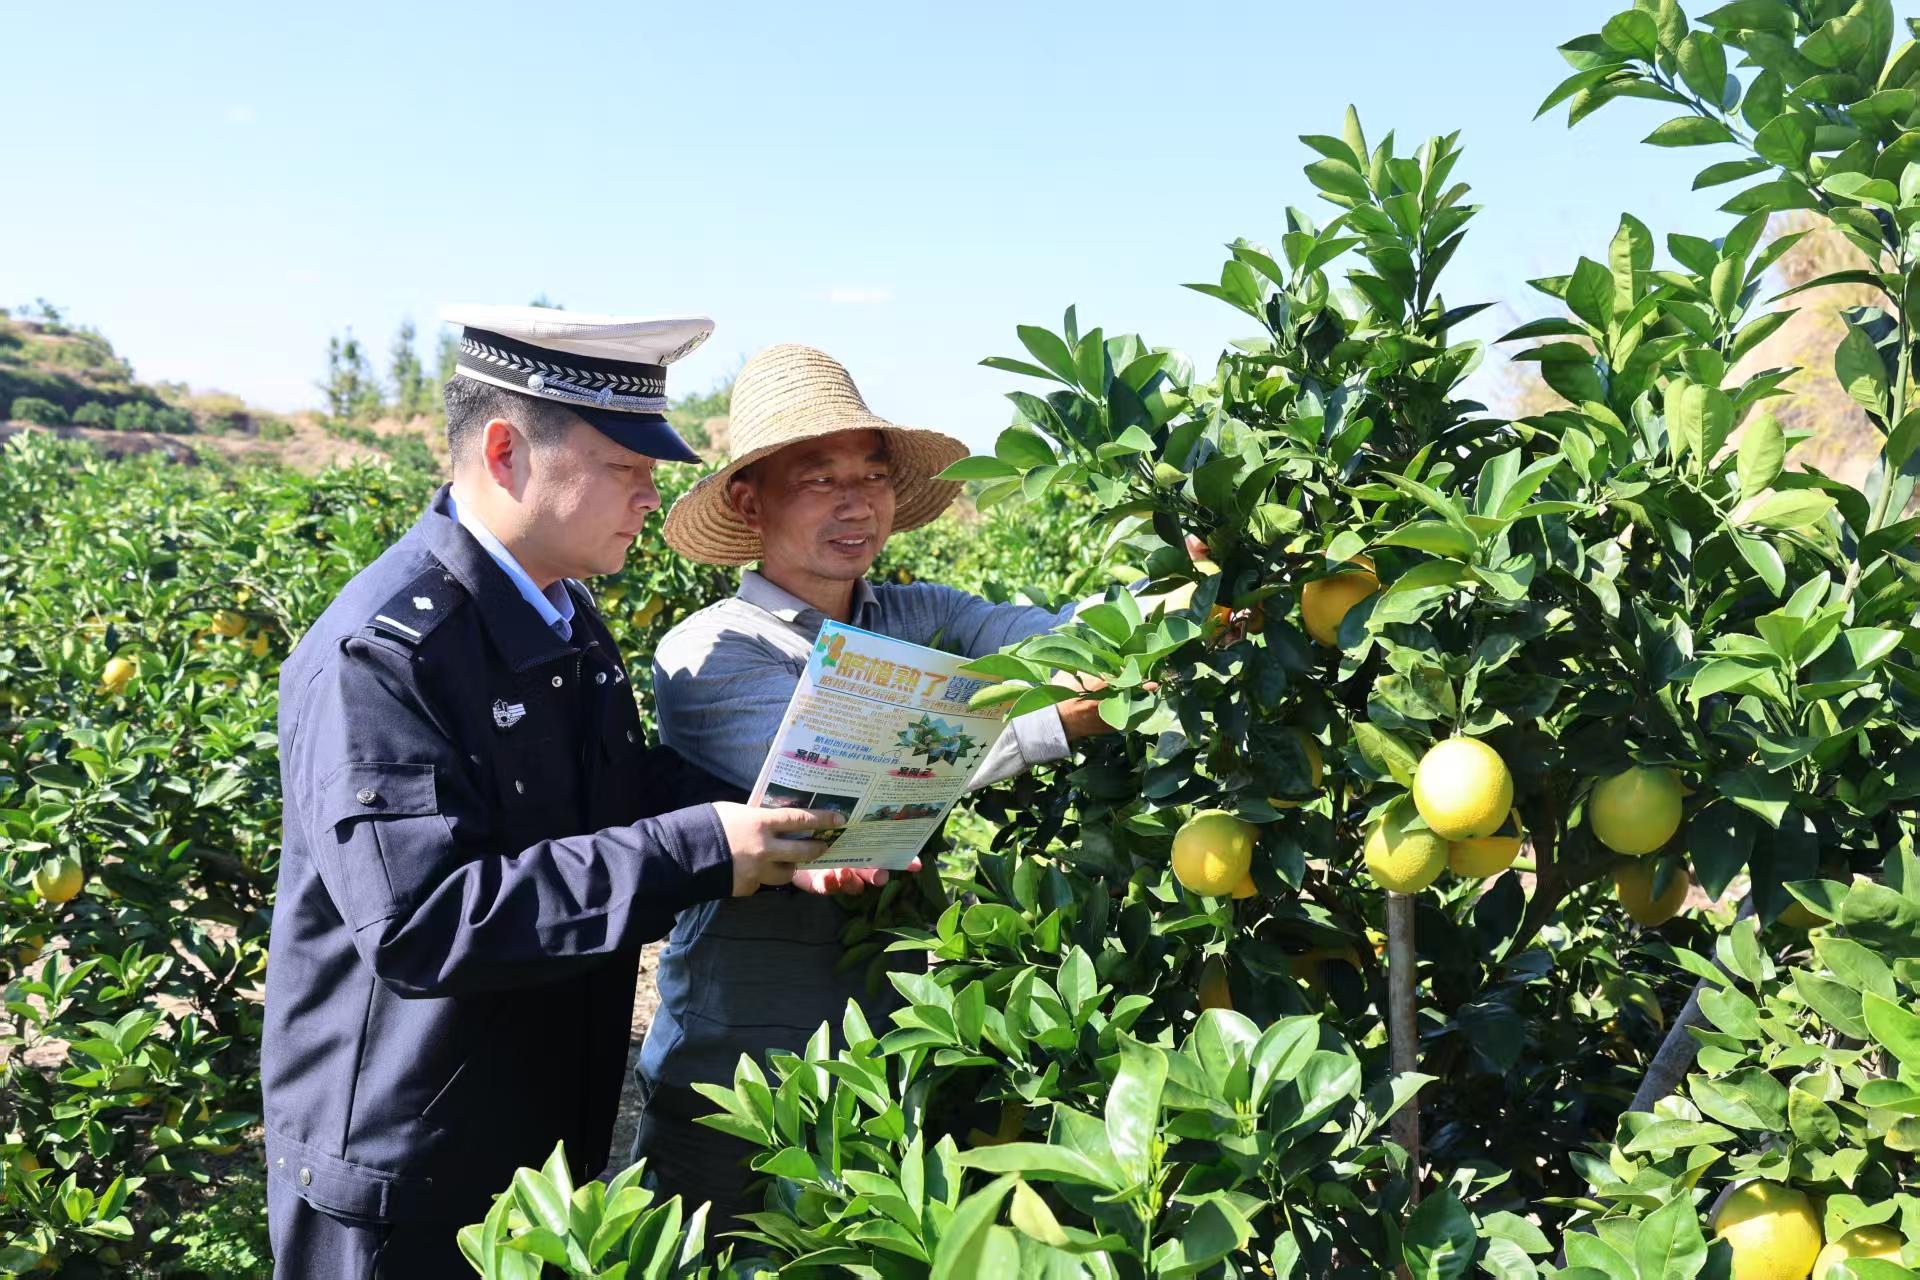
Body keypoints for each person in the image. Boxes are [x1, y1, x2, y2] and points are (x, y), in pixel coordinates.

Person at [260, 307, 845, 1278]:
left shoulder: (559, 608)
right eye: (628, 468)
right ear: (505, 451)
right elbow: (426, 920)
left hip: (532, 1144)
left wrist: (779, 823)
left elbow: (612, 788)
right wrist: (706, 845)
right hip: (406, 1176)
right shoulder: (385, 652)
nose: (652, 496)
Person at [632, 343, 1121, 1229]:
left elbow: (1060, 637)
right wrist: (1055, 719)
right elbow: (847, 787)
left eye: (871, 475)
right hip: (741, 1061)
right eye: (819, 478)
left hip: (895, 1037)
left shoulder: (923, 613)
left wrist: (1176, 599)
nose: (856, 501)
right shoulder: (712, 653)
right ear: (750, 500)